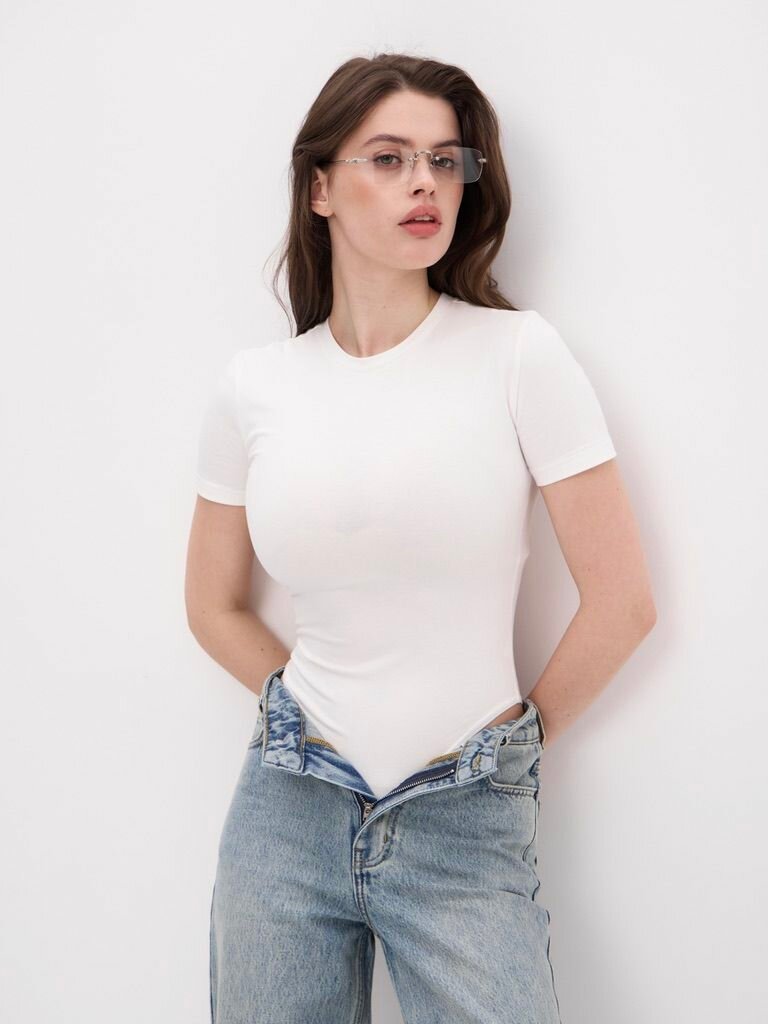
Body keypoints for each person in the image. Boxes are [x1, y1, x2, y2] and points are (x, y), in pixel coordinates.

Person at [185, 52, 656, 1024]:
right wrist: (296, 713)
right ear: (320, 187)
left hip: (464, 811)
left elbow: (623, 604)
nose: (425, 183)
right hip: (287, 809)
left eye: (446, 161)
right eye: (390, 157)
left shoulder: (518, 355)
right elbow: (210, 603)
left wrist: (506, 750)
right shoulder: (254, 387)